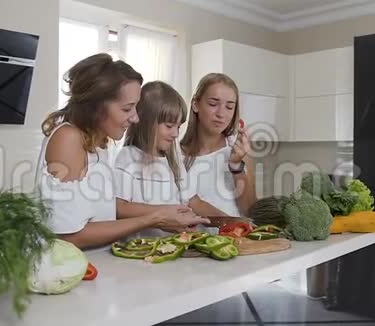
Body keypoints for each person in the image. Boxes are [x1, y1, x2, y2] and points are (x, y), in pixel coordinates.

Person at [35, 53, 209, 250]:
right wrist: (154, 219)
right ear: (96, 107)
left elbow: (102, 219)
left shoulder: (99, 144)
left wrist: (162, 216)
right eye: (127, 109)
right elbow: (68, 238)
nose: (135, 118)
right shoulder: (68, 138)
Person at [114, 81, 226, 238]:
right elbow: (120, 208)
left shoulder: (174, 159)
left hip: (173, 248)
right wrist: (165, 213)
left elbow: (194, 202)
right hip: (141, 252)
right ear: (147, 123)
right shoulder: (128, 157)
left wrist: (231, 221)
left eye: (178, 127)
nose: (175, 134)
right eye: (169, 126)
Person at [180, 73, 257, 217]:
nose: (221, 113)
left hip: (231, 237)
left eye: (229, 107)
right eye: (213, 104)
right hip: (188, 238)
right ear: (196, 105)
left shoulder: (239, 151)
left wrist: (236, 166)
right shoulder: (174, 153)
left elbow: (249, 212)